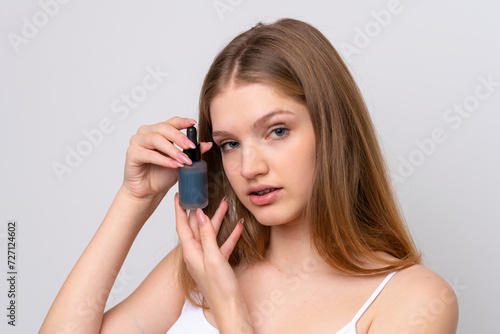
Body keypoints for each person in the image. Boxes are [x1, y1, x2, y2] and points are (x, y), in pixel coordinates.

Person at [40, 18, 459, 333]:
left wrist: (229, 311)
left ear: (332, 129)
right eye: (229, 143)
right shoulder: (204, 263)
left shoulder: (414, 299)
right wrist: (134, 200)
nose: (248, 167)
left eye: (277, 131)